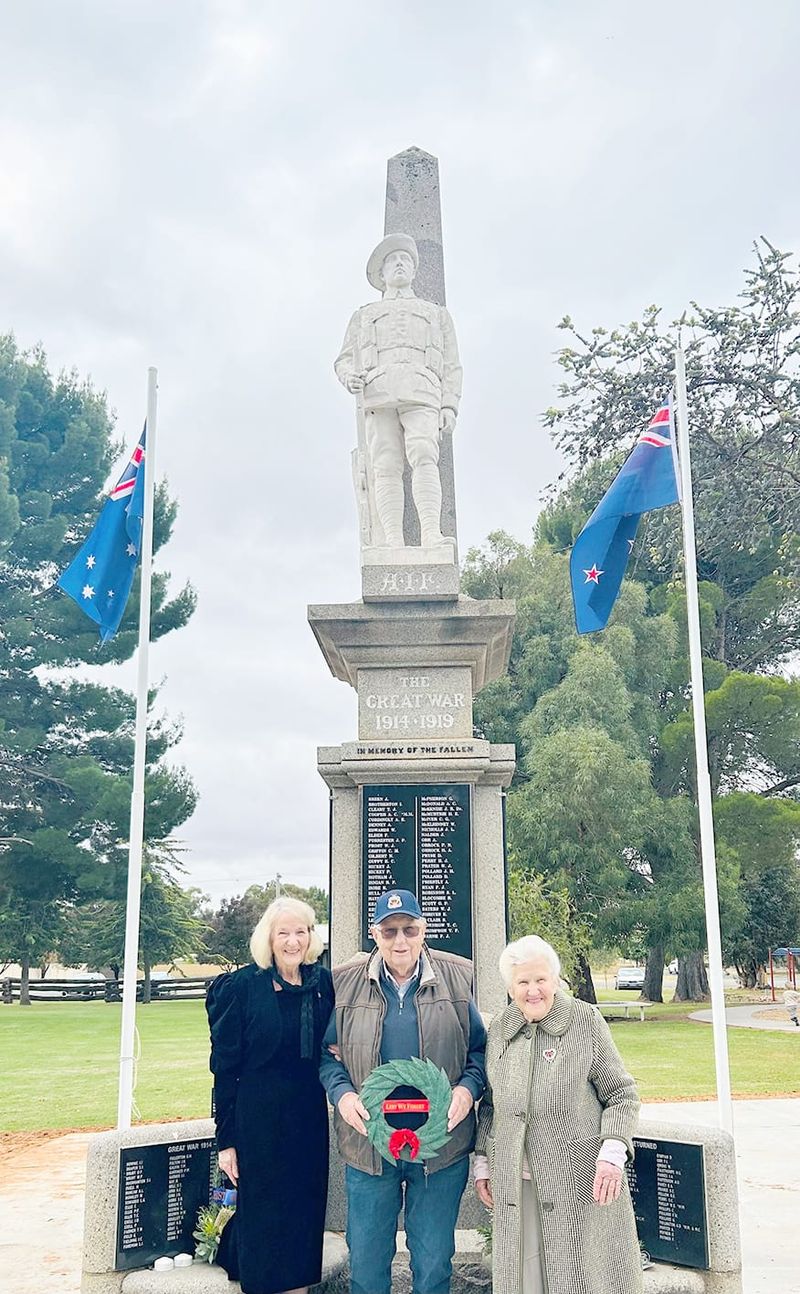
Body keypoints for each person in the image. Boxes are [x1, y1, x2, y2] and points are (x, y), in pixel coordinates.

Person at [319, 888, 485, 1294]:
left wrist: (467, 1090)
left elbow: (479, 1051)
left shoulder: (458, 977)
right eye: (389, 931)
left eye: (409, 929)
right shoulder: (343, 983)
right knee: (368, 1262)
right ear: (374, 934)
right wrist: (342, 1095)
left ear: (423, 930)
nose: (400, 941)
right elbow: (325, 1056)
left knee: (432, 1263)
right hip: (369, 1148)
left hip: (440, 1148)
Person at [474, 935, 642, 1294]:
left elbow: (621, 1094)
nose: (533, 990)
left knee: (579, 1279)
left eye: (540, 980)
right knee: (525, 1279)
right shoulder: (500, 1029)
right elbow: (490, 1104)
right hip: (515, 1182)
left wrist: (612, 1154)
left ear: (555, 979)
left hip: (578, 1181)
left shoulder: (586, 1021)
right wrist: (483, 1162)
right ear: (510, 987)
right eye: (522, 982)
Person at [206, 897, 334, 1294]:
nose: (293, 941)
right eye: (284, 933)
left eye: (301, 931)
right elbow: (225, 1069)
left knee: (304, 1206)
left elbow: (329, 1042)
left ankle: (298, 1286)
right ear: (269, 938)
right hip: (258, 1117)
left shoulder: (320, 983)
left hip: (307, 1116)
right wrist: (226, 1140)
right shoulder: (242, 987)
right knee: (265, 1211)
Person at [335, 234, 462, 550]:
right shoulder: (363, 315)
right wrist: (350, 376)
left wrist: (450, 405)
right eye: (392, 260)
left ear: (415, 270)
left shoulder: (436, 313)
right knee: (386, 465)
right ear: (382, 274)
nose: (400, 264)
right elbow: (344, 359)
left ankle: (431, 533)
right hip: (379, 393)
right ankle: (393, 540)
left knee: (424, 456)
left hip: (423, 391)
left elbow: (451, 364)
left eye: (405, 259)